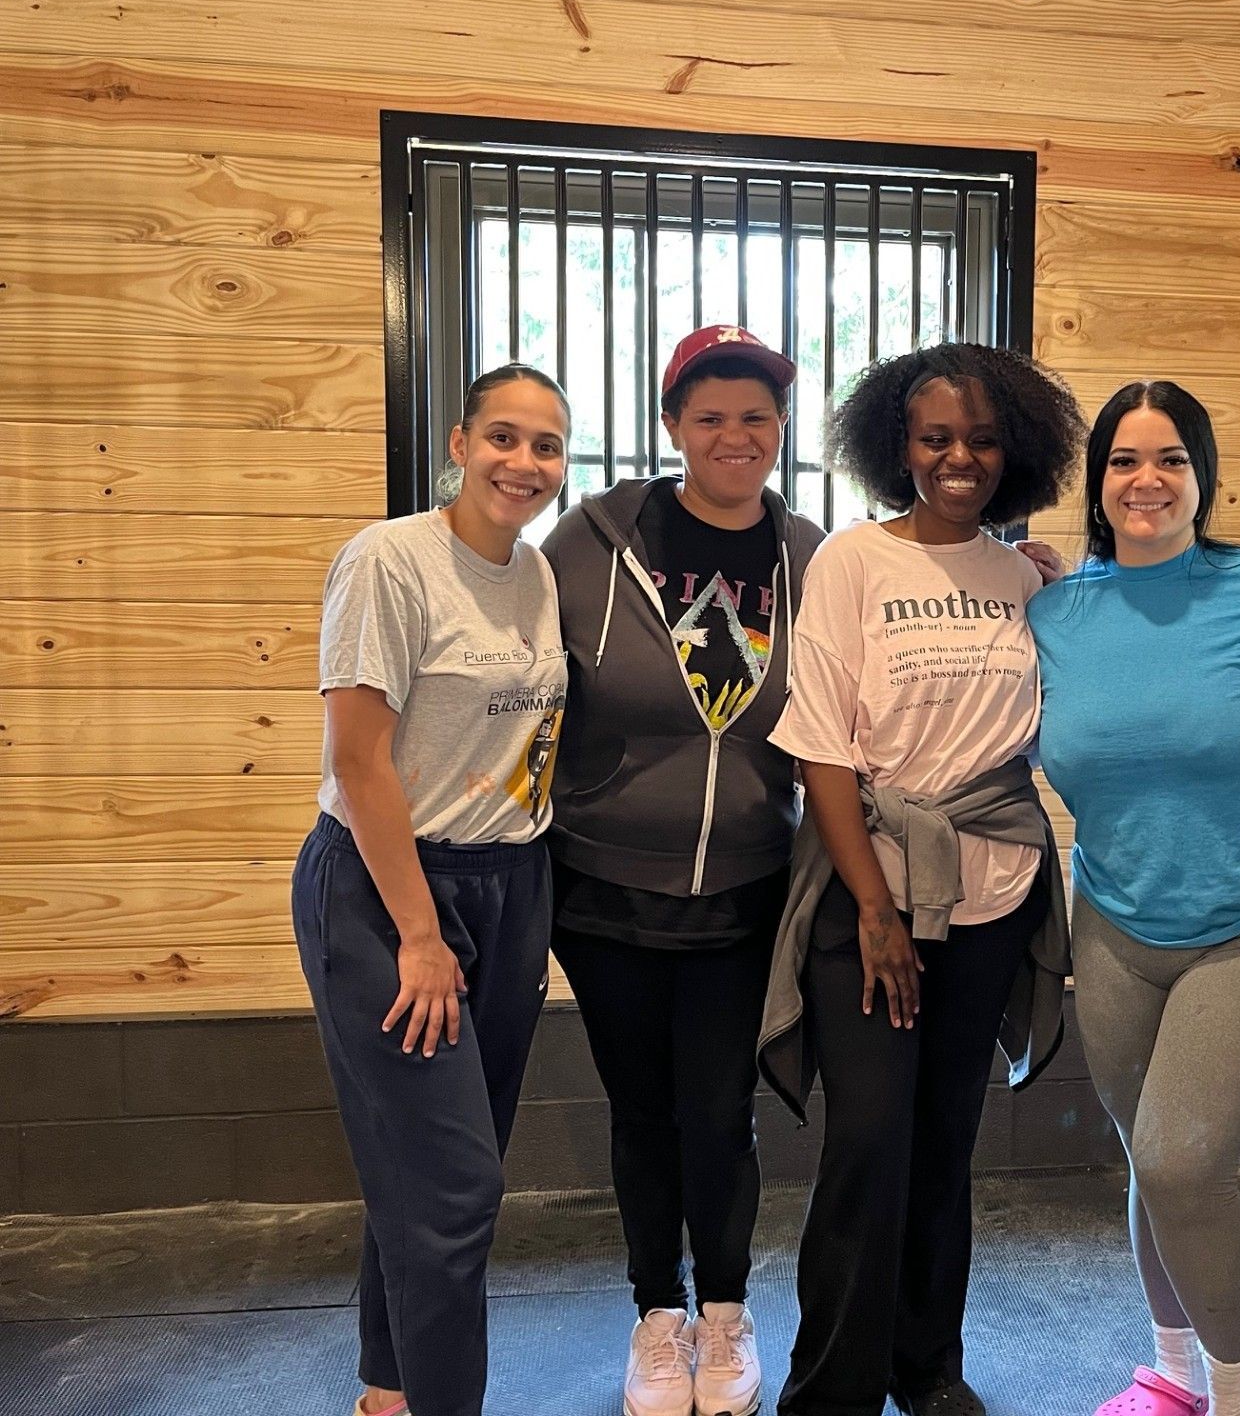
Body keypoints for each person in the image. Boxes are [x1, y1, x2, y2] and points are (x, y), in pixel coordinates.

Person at [756, 343, 1085, 1416]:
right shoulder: (852, 561)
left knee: (946, 1140)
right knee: (867, 1141)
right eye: (937, 438)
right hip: (871, 891)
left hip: (994, 894)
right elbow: (821, 750)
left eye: (983, 440)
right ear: (898, 447)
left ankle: (929, 1367)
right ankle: (830, 1390)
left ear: (1015, 449)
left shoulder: (1024, 578)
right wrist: (874, 910)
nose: (960, 458)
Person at [1023, 381, 1240, 1416]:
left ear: (1204, 477)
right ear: (1097, 481)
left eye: (1171, 459)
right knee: (1145, 1159)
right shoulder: (1055, 614)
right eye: (1124, 459)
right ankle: (1172, 1374)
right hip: (1114, 923)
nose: (1146, 479)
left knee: (1181, 1163)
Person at [541, 325, 825, 1416]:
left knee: (718, 1111)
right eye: (709, 416)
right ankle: (657, 1315)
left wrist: (1022, 568)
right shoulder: (592, 543)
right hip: (603, 889)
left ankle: (725, 1313)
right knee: (643, 1112)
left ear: (780, 426)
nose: (733, 436)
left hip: (747, 892)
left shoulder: (810, 555)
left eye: (756, 416)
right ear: (673, 425)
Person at [291, 364, 571, 1416]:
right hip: (390, 891)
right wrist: (418, 933)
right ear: (458, 443)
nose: (524, 462)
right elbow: (359, 760)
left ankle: (389, 1392)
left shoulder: (537, 574)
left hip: (510, 883)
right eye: (503, 436)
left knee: (424, 1175)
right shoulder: (389, 561)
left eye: (546, 445)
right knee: (455, 1190)